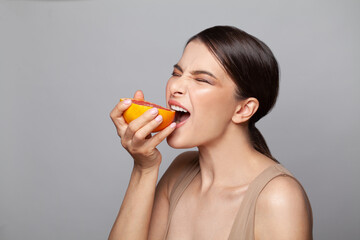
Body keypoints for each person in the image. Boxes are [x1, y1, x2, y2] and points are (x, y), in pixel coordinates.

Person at [109, 25, 313, 240]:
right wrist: (144, 168)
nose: (176, 86)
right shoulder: (179, 171)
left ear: (243, 109)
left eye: (202, 79)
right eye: (176, 73)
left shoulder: (278, 198)